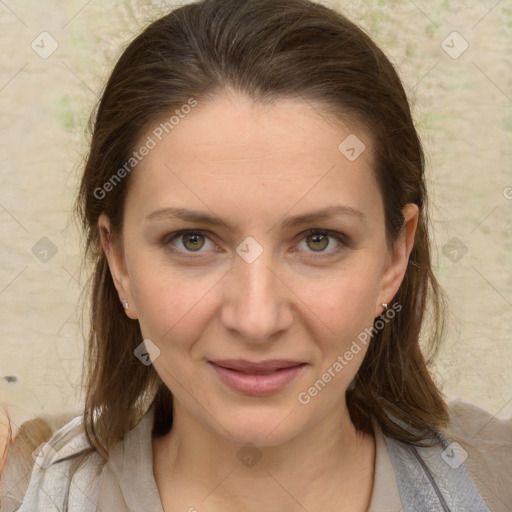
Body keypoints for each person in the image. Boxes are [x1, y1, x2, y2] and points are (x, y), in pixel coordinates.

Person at [1, 0, 510, 510]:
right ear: (121, 263)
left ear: (395, 255)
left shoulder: (496, 478)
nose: (257, 319)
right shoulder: (22, 484)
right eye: (193, 240)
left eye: (318, 240)